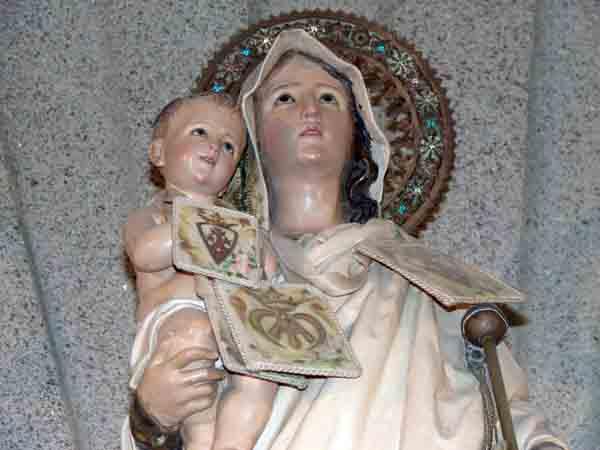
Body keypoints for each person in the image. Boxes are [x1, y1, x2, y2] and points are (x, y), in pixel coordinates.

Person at [124, 30, 568, 450]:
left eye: (328, 98)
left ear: (360, 133)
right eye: (285, 98)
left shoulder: (428, 282)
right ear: (251, 141)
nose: (310, 110)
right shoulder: (220, 255)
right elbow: (175, 406)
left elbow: (505, 405)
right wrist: (152, 415)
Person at [122, 93, 277, 450]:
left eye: (228, 146)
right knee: (196, 350)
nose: (214, 147)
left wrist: (254, 243)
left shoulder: (242, 222)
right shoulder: (154, 215)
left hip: (235, 316)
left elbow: (266, 271)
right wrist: (201, 224)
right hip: (180, 317)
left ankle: (234, 443)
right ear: (158, 153)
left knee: (261, 378)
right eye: (200, 132)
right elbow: (145, 253)